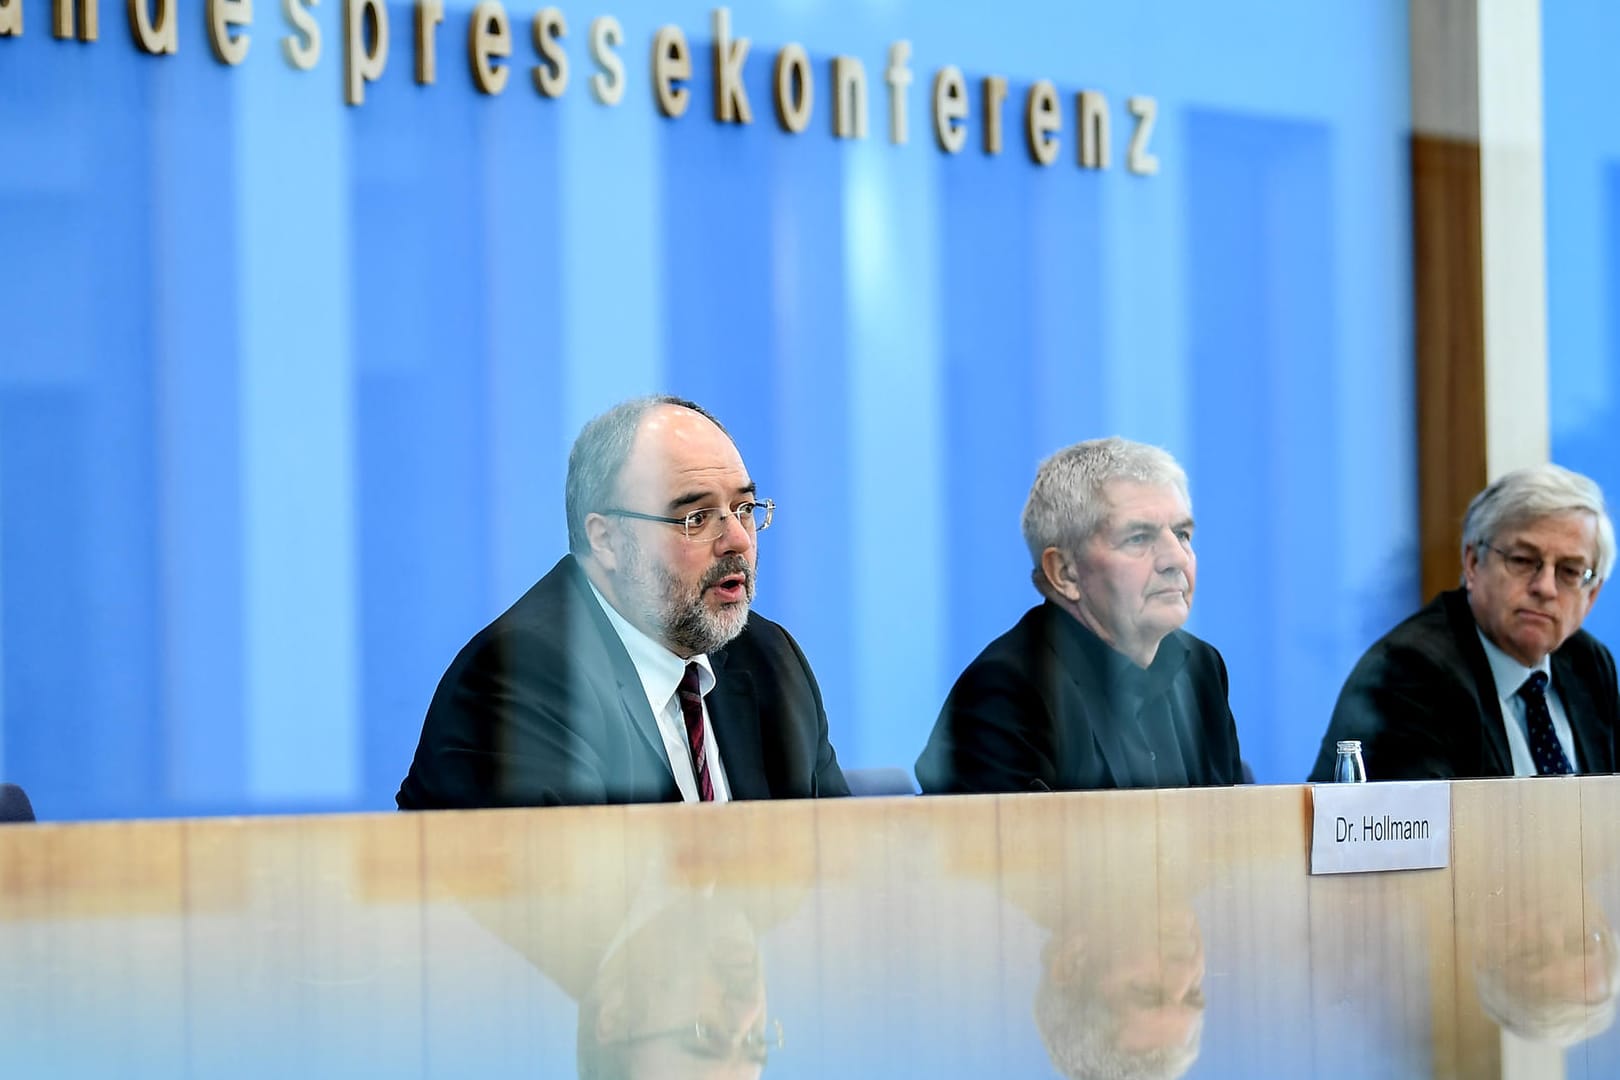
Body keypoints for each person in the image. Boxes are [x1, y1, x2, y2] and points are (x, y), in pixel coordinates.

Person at [397, 395, 849, 808]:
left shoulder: (771, 661)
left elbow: (840, 862)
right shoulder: (518, 678)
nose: (736, 540)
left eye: (744, 509)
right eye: (696, 517)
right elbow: (573, 888)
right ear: (606, 540)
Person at [915, 437, 1245, 793]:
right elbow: (1014, 848)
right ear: (1065, 572)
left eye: (1182, 534)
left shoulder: (1201, 667)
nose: (1177, 559)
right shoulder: (1005, 692)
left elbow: (1229, 835)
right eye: (1138, 538)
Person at [1308, 464, 1618, 781]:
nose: (1545, 588)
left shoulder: (1587, 664)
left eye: (1569, 571)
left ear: (1591, 594)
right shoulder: (1412, 672)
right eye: (1523, 561)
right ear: (1472, 563)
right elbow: (1429, 827)